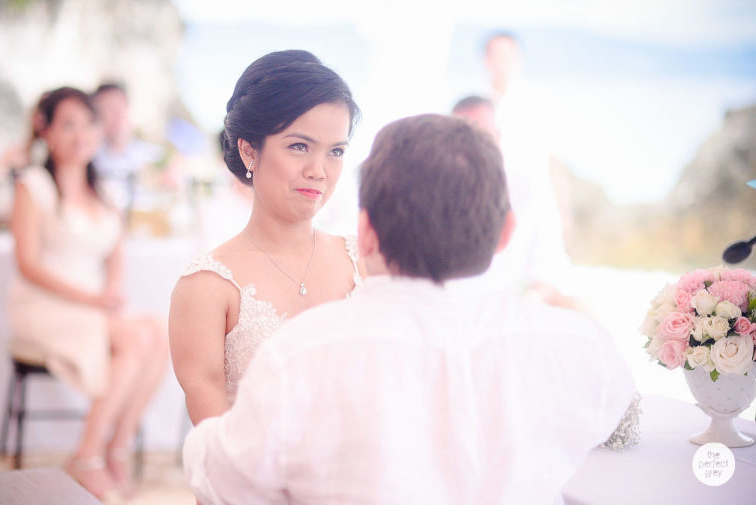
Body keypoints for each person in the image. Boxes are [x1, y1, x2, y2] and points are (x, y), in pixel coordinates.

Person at [182, 114, 635, 505]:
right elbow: (622, 421)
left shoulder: (300, 354)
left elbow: (221, 474)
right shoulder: (576, 345)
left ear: (367, 230)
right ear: (505, 233)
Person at [169, 50, 365, 426]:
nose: (318, 171)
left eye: (335, 152)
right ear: (249, 151)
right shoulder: (207, 287)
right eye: (299, 146)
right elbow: (214, 443)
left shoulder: (361, 265)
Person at [7, 87, 168, 502]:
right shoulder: (33, 185)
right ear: (45, 131)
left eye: (89, 122)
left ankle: (117, 444)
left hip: (92, 305)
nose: (82, 134)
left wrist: (111, 290)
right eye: (69, 124)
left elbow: (116, 254)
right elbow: (28, 265)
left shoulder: (106, 193)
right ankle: (89, 454)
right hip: (43, 304)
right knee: (134, 337)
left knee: (158, 331)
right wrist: (94, 300)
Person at [451, 94, 576, 309]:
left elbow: (549, 275)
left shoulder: (531, 189)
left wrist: (519, 310)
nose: (472, 147)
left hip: (512, 315)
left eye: (482, 135)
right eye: (461, 137)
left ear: (498, 137)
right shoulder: (433, 193)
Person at [91, 82, 163, 216]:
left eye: (117, 108)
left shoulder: (155, 156)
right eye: (105, 111)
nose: (114, 117)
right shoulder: (88, 161)